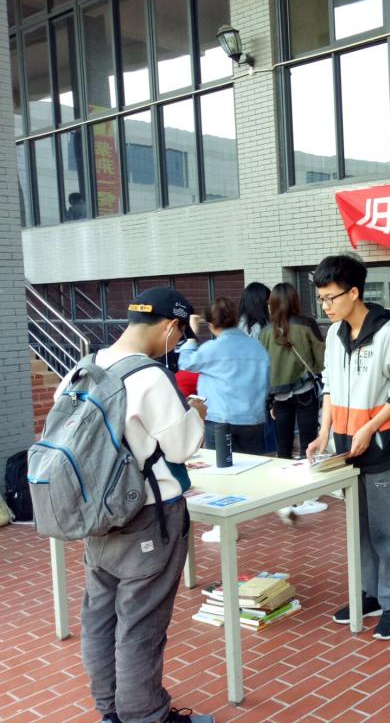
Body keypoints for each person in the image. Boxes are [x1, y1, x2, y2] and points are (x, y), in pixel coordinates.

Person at [55, 287, 211, 723]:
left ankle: (111, 711)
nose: (176, 344)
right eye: (178, 336)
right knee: (141, 623)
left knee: (100, 618)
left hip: (96, 514)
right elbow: (181, 447)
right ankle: (145, 715)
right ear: (171, 326)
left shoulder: (84, 367)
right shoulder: (149, 375)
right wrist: (195, 413)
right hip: (147, 515)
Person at [307, 254, 390, 641]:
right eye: (321, 299)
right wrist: (323, 432)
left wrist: (370, 428)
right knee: (360, 529)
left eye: (331, 298)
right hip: (344, 449)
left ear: (354, 293)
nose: (326, 306)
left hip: (381, 446)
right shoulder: (335, 335)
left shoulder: (386, 334)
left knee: (387, 530)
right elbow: (329, 385)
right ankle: (370, 593)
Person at [178, 298, 270, 543]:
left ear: (211, 325)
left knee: (221, 474)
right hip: (253, 418)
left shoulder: (213, 348)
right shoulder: (256, 347)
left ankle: (225, 527)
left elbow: (185, 363)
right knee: (249, 471)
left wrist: (191, 336)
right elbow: (266, 381)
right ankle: (248, 513)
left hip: (220, 419)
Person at [260, 283, 324, 460]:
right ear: (295, 300)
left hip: (279, 396)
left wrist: (269, 402)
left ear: (272, 303)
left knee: (283, 446)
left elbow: (263, 370)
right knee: (308, 446)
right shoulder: (307, 324)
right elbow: (322, 360)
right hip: (306, 391)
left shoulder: (265, 332)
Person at [237, 282, 275, 453]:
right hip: (257, 393)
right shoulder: (261, 328)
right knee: (265, 445)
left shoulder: (234, 325)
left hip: (237, 394)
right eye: (268, 302)